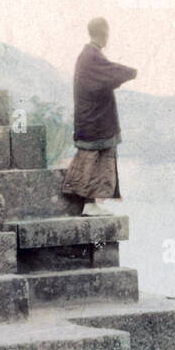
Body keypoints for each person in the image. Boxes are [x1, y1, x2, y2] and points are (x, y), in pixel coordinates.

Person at [61, 18, 137, 214]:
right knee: (94, 162)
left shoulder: (88, 56)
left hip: (92, 119)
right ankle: (89, 204)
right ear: (104, 33)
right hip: (94, 122)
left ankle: (91, 203)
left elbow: (106, 77)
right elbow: (111, 73)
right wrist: (132, 72)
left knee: (95, 161)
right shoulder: (92, 57)